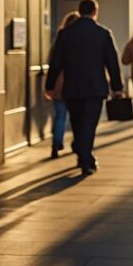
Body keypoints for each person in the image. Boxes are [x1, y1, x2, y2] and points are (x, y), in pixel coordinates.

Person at [44, 0, 124, 175]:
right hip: (95, 88)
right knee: (89, 123)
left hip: (72, 87)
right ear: (95, 11)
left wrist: (50, 85)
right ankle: (84, 156)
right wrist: (117, 86)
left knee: (77, 121)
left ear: (79, 12)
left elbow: (56, 62)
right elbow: (112, 62)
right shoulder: (103, 33)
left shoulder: (65, 34)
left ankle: (82, 152)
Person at [47, 11, 80, 158]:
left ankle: (56, 144)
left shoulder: (59, 39)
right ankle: (77, 143)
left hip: (59, 84)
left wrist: (49, 85)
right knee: (76, 117)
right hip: (76, 84)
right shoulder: (79, 40)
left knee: (60, 115)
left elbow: (53, 64)